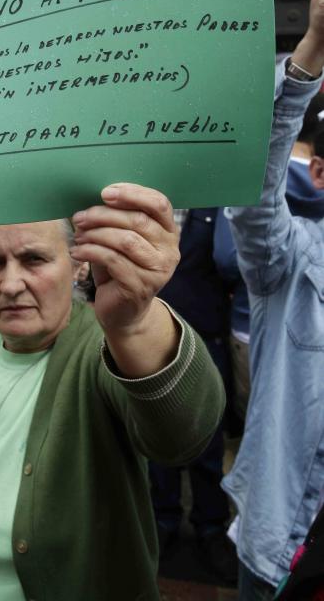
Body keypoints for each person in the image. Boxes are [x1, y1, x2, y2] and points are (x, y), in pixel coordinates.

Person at [0, 183, 225, 601]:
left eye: (34, 259)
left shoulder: (100, 351)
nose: (11, 284)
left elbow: (183, 434)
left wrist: (134, 323)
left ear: (79, 265)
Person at [221, 0, 324, 600]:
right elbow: (253, 194)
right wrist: (313, 47)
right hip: (286, 546)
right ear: (318, 170)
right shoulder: (293, 260)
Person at [149, 207, 236, 583]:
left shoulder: (214, 211)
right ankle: (162, 522)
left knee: (208, 440)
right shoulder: (149, 209)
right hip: (154, 339)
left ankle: (210, 527)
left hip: (206, 335)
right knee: (158, 433)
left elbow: (230, 267)